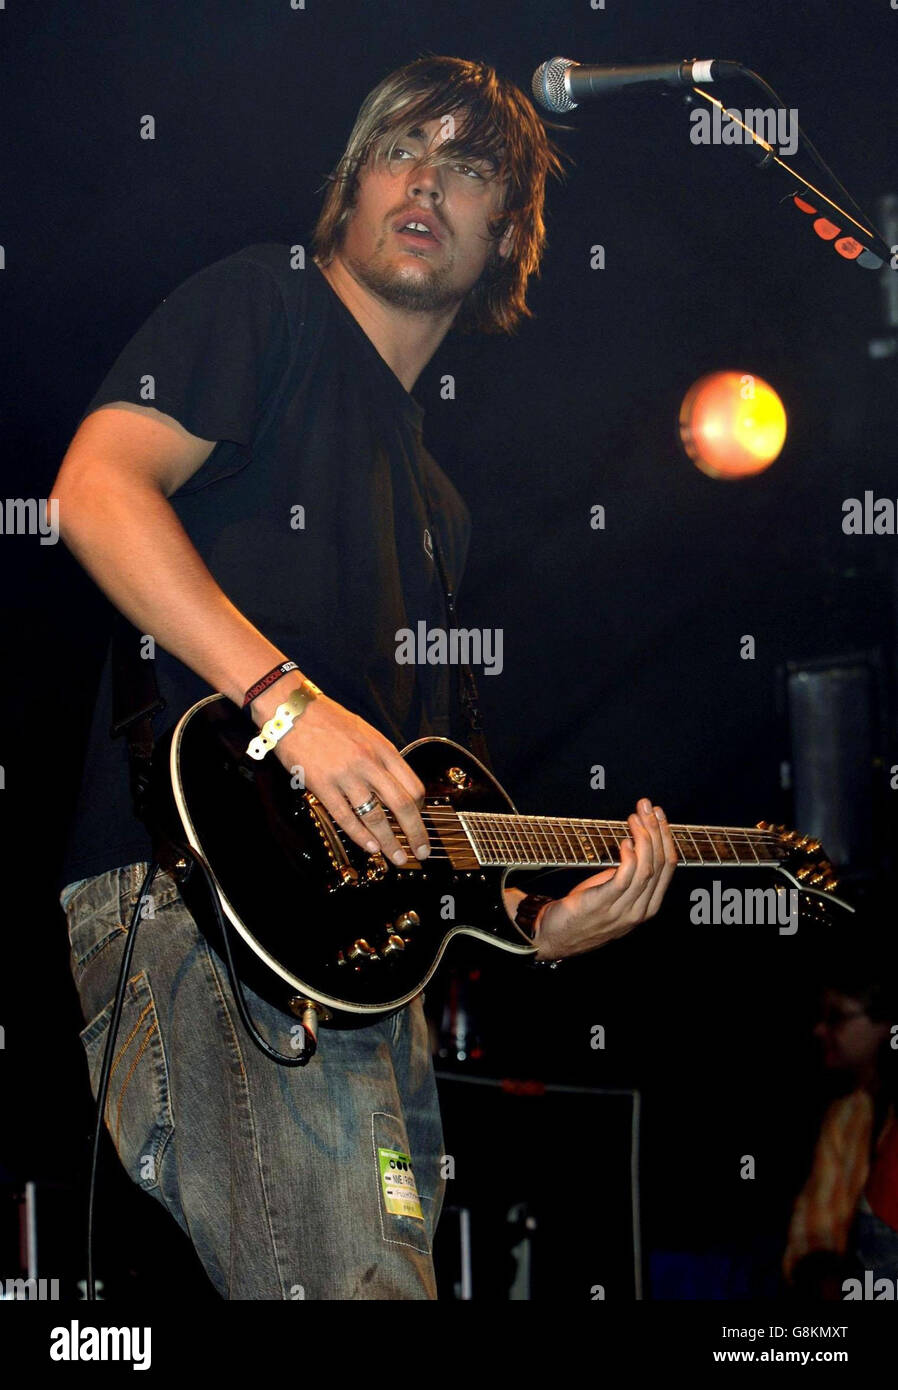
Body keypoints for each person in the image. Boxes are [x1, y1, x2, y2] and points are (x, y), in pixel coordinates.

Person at [52, 54, 679, 1300]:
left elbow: (414, 813)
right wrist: (289, 708)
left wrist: (542, 928)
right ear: (348, 187)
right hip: (202, 906)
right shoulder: (262, 307)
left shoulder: (439, 509)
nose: (426, 184)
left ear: (507, 235)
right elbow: (93, 490)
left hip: (355, 968)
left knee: (386, 1272)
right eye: (403, 150)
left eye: (468, 169)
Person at [783, 941, 898, 1298]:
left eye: (837, 1017)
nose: (819, 1030)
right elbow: (807, 1239)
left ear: (886, 1025)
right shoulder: (845, 1113)